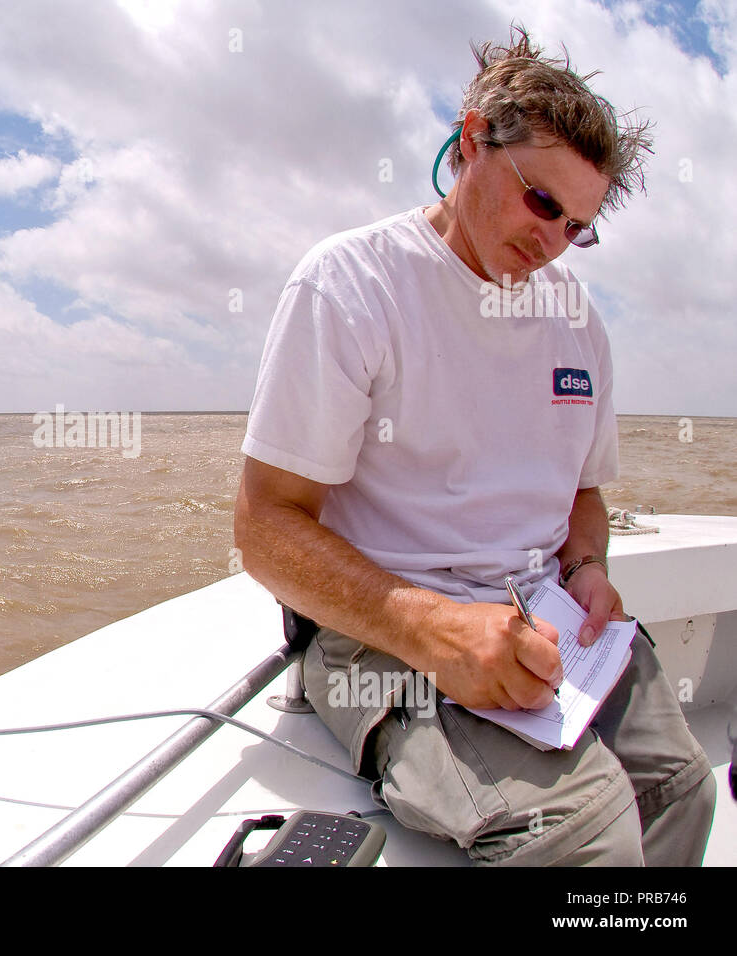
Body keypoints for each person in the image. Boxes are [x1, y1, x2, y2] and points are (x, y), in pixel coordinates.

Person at [233, 26, 716, 865]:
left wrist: (588, 569)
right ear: (469, 143)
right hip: (380, 634)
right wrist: (436, 633)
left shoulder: (577, 323)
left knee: (683, 787)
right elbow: (265, 527)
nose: (553, 241)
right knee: (586, 832)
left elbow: (583, 498)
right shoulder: (352, 283)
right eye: (541, 202)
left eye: (578, 226)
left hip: (546, 616)